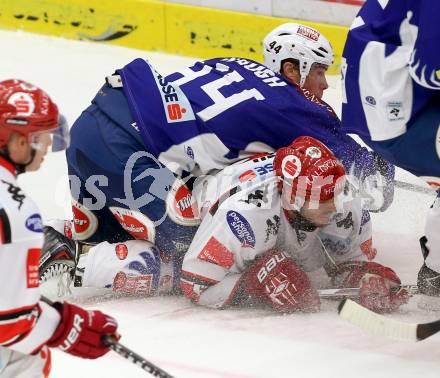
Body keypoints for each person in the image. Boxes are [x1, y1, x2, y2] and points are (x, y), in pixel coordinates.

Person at [65, 23, 394, 261]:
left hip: (94, 122)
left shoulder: (233, 63)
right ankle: (80, 256)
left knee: (100, 241)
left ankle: (63, 241)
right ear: (292, 69)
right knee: (196, 251)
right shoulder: (296, 107)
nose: (324, 84)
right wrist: (387, 164)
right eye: (319, 72)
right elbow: (369, 178)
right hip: (129, 148)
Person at [180, 136, 408, 313]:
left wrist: (365, 280)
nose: (337, 207)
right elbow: (195, 285)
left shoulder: (348, 205)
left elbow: (350, 263)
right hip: (190, 202)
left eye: (337, 192)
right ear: (294, 198)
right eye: (323, 198)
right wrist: (253, 285)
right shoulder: (242, 217)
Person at [0, 79, 118, 378]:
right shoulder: (15, 211)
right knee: (28, 358)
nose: (49, 145)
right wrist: (67, 327)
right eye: (40, 136)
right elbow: (10, 326)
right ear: (17, 141)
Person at [340, 1, 440, 298]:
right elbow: (431, 70)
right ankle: (436, 274)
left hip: (385, 105)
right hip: (395, 120)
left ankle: (436, 273)